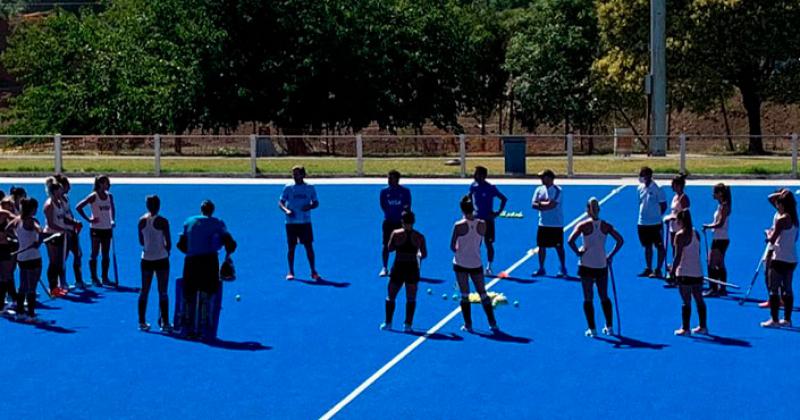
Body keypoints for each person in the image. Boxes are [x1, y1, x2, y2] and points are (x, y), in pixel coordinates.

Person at [176, 200, 236, 340]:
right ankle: (204, 327)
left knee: (189, 293)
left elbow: (181, 244)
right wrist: (227, 257)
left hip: (191, 261)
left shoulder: (189, 221)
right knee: (207, 294)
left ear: (201, 209)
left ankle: (188, 327)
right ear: (212, 210)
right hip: (209, 261)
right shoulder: (218, 223)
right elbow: (230, 243)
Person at [567, 197, 624, 337]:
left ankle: (592, 329)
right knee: (604, 296)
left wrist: (578, 252)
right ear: (598, 209)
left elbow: (570, 241)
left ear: (587, 210)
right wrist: (610, 255)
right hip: (601, 264)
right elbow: (620, 240)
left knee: (588, 297)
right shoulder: (606, 225)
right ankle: (609, 327)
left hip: (586, 264)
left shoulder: (583, 225)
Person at [451, 196, 499, 332]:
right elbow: (479, 243)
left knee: (464, 295)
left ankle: (468, 324)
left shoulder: (458, 225)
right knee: (483, 293)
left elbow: (452, 246)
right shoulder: (482, 224)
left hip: (460, 263)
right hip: (476, 263)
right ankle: (492, 323)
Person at [381, 211, 427, 331]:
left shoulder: (396, 234)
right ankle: (408, 325)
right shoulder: (419, 236)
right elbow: (424, 254)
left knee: (391, 296)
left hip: (398, 267)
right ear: (413, 222)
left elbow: (390, 249)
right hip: (412, 268)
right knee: (411, 297)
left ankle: (388, 323)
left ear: (402, 221)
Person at [761, 190, 797, 328]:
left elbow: (772, 239)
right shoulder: (794, 219)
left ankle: (774, 319)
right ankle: (787, 319)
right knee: (787, 288)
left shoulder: (782, 220)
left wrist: (767, 233)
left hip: (779, 257)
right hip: (791, 258)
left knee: (773, 288)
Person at [5, 198, 43, 321]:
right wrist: (38, 242)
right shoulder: (32, 221)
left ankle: (20, 312)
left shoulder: (16, 220)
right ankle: (31, 314)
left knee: (22, 285)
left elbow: (6, 230)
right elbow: (40, 231)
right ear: (32, 209)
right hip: (33, 256)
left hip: (21, 258)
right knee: (32, 287)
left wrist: (14, 239)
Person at [670, 209, 708, 336]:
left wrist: (672, 271)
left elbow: (678, 256)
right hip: (697, 272)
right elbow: (698, 252)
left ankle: (685, 328)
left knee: (686, 301)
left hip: (685, 272)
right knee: (699, 299)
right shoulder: (696, 233)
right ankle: (703, 326)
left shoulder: (679, 236)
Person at [137, 195, 172, 332]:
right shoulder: (163, 221)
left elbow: (141, 241)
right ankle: (165, 323)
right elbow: (168, 242)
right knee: (163, 291)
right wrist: (165, 250)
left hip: (146, 258)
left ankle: (141, 321)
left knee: (144, 290)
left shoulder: (141, 221)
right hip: (161, 259)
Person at [279, 166, 320, 280]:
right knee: (291, 247)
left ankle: (313, 271)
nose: (295, 176)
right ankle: (291, 272)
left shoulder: (310, 188)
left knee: (308, 247)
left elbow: (316, 203)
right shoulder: (288, 187)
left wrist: (310, 206)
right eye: (293, 174)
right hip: (291, 223)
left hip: (305, 222)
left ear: (303, 175)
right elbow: (281, 202)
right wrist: (286, 210)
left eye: (297, 174)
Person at [76, 175, 116, 286]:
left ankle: (105, 277)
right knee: (94, 253)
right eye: (106, 183)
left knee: (106, 253)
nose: (109, 185)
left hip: (107, 228)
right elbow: (79, 207)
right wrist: (89, 219)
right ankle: (94, 278)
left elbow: (112, 209)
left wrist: (112, 220)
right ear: (100, 184)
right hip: (96, 229)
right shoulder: (93, 196)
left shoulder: (109, 196)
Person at [469, 166, 508, 275]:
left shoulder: (490, 188)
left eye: (477, 174)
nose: (474, 176)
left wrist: (497, 213)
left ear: (483, 176)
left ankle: (489, 267)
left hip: (488, 220)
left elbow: (503, 199)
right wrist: (470, 211)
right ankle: (474, 265)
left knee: (488, 243)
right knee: (475, 243)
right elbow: (469, 198)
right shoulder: (473, 186)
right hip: (476, 219)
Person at [531, 169, 567, 277]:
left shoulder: (557, 190)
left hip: (556, 224)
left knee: (558, 247)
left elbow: (552, 205)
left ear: (550, 178)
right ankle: (541, 268)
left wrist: (541, 205)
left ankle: (562, 267)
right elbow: (533, 204)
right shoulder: (539, 190)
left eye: (543, 177)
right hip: (543, 223)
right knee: (541, 246)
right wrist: (544, 204)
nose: (541, 179)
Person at [379, 170, 411, 277]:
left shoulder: (405, 191)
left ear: (397, 179)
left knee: (401, 246)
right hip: (388, 222)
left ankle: (398, 267)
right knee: (385, 245)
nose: (388, 180)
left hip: (400, 223)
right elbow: (383, 206)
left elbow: (407, 207)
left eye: (391, 178)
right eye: (388, 178)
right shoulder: (384, 192)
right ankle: (384, 267)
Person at [54, 174, 85, 289]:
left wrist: (75, 222)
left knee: (78, 254)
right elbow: (62, 217)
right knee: (63, 258)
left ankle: (78, 280)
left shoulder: (66, 198)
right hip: (64, 231)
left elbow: (69, 213)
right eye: (67, 185)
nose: (70, 187)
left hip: (72, 230)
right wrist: (73, 223)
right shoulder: (57, 201)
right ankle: (61, 282)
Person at [636, 167, 667, 278]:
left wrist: (656, 216)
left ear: (648, 175)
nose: (641, 177)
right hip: (642, 223)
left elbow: (663, 205)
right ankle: (648, 268)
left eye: (642, 174)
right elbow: (640, 202)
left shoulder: (658, 188)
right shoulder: (639, 188)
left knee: (659, 246)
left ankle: (658, 269)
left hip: (655, 224)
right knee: (647, 246)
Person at [702, 183, 732, 297]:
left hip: (721, 239)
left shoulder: (724, 206)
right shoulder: (720, 206)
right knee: (719, 263)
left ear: (720, 193)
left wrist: (708, 226)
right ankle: (722, 287)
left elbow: (720, 223)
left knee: (711, 262)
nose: (712, 195)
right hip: (718, 238)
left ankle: (713, 287)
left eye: (714, 192)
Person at [43, 177, 70, 296]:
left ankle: (58, 286)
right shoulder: (49, 205)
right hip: (51, 235)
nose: (61, 193)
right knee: (53, 262)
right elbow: (51, 223)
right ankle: (52, 287)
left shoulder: (59, 202)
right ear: (54, 191)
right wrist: (62, 229)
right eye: (59, 191)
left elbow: (62, 217)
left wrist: (72, 224)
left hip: (60, 234)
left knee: (60, 261)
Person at [662, 173, 690, 286]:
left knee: (680, 251)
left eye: (673, 184)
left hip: (680, 228)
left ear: (678, 185)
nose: (671, 186)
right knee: (674, 251)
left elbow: (684, 214)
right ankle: (676, 272)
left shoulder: (684, 198)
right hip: (673, 227)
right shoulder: (675, 197)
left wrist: (674, 218)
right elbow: (674, 211)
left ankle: (680, 273)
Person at [0, 198, 17, 311]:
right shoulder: (3, 213)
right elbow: (18, 220)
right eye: (10, 206)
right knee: (5, 275)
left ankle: (11, 297)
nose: (11, 209)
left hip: (5, 246)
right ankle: (2, 303)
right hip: (3, 248)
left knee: (5, 275)